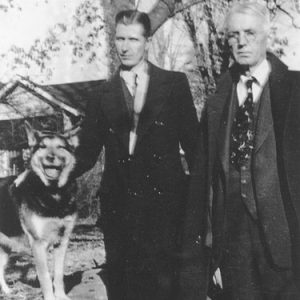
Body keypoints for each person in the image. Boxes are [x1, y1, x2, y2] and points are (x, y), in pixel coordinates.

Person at [74, 9, 199, 300]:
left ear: (146, 42)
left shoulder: (174, 85)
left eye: (132, 39)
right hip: (119, 210)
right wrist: (51, 172)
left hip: (166, 208)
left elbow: (195, 148)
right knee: (123, 288)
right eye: (119, 38)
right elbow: (86, 153)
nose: (125, 46)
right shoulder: (100, 96)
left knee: (165, 288)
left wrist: (203, 201)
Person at [183, 2, 300, 299]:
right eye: (234, 35)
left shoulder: (295, 91)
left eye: (249, 32)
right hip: (232, 245)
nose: (242, 41)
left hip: (285, 242)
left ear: (267, 35)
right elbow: (205, 182)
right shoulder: (217, 101)